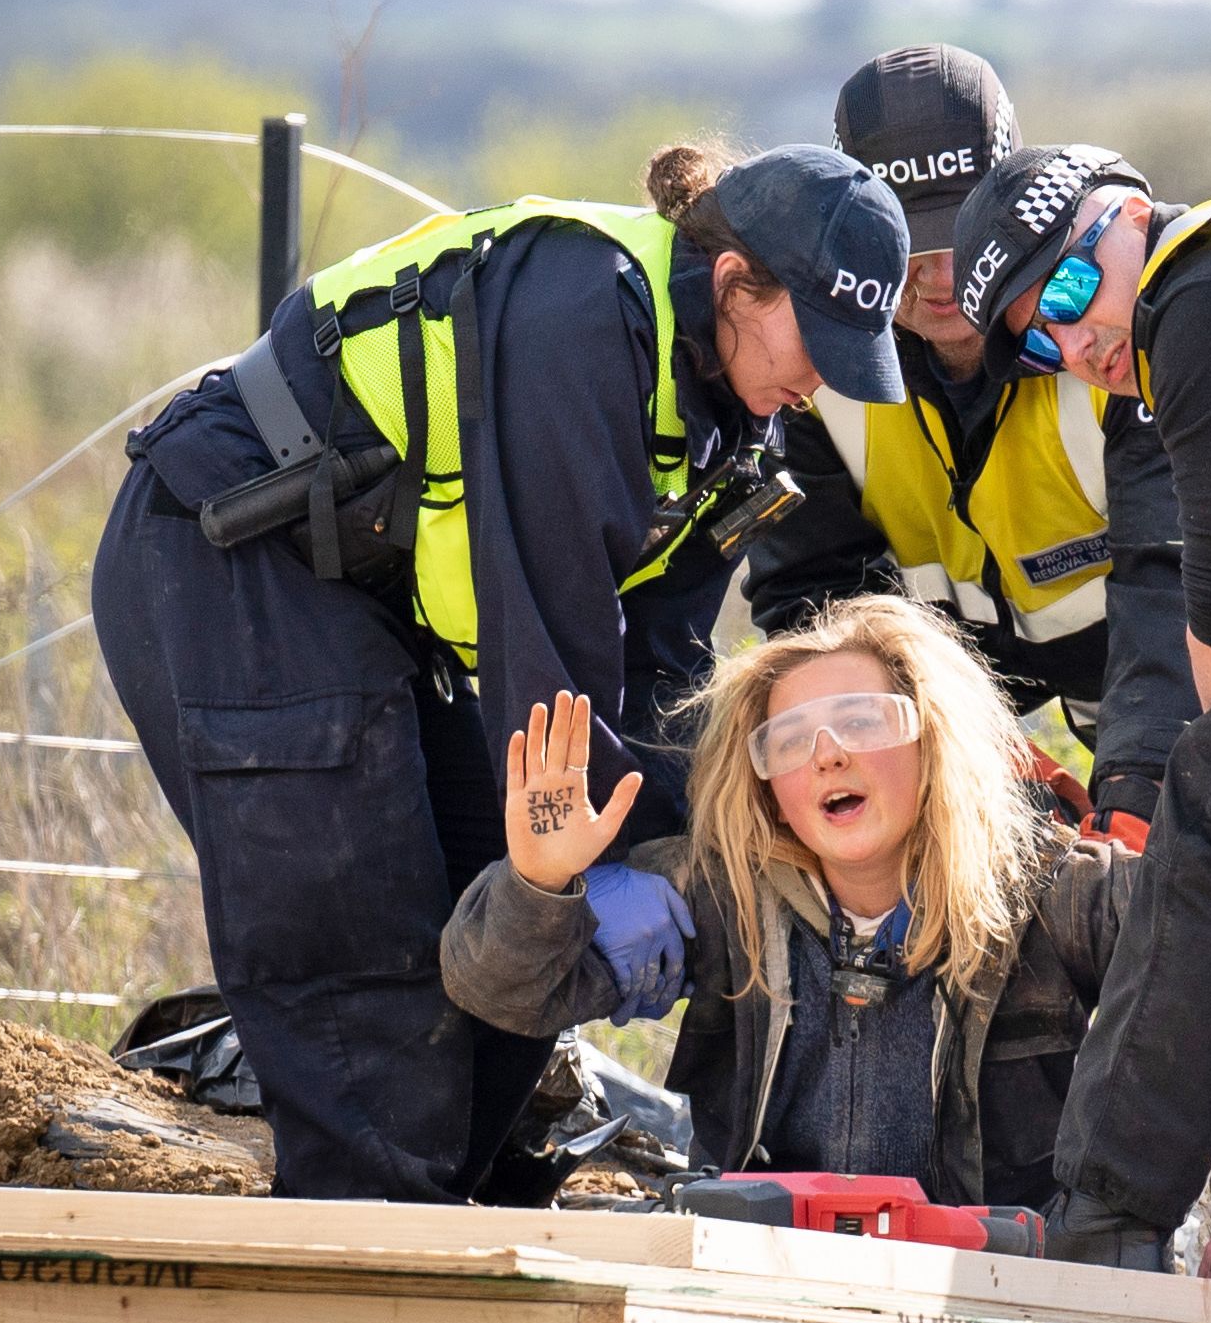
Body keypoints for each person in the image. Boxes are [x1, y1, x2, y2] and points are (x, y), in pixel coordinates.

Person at [93, 141, 909, 1201]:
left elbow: (657, 668)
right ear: (734, 282)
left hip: (364, 604)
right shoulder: (587, 320)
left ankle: (423, 1221)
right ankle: (361, 1252)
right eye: (818, 340)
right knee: (372, 966)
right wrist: (580, 864)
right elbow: (547, 627)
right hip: (232, 558)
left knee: (509, 957)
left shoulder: (734, 420)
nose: (821, 383)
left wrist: (690, 848)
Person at [941, 143, 1211, 1264]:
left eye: (1072, 286)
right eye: (1038, 334)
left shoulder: (1204, 292)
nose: (1074, 339)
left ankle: (1104, 1231)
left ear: (1133, 214)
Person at [440, 595, 1135, 1211]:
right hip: (774, 1282)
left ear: (933, 739)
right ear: (766, 783)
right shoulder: (724, 893)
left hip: (990, 1290)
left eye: (861, 722)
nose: (827, 754)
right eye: (791, 740)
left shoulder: (1055, 893)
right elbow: (499, 992)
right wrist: (537, 884)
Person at [748, 46, 1197, 849]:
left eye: (959, 227)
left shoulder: (1112, 335)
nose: (940, 272)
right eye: (904, 242)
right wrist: (979, 758)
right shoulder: (817, 373)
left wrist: (1135, 787)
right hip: (949, 701)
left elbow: (1174, 578)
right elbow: (813, 604)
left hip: (1151, 677)